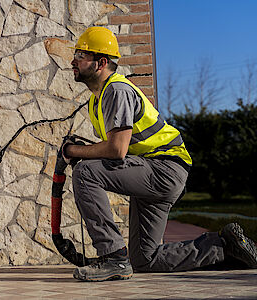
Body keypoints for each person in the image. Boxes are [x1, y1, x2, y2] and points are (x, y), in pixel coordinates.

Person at [62, 26, 257, 282]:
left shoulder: (116, 90)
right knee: (145, 259)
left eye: (80, 54)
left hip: (164, 169)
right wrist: (85, 150)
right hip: (155, 170)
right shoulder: (97, 99)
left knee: (86, 172)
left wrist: (73, 151)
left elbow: (117, 150)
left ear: (101, 62)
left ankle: (112, 258)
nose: (73, 60)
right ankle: (223, 247)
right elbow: (117, 146)